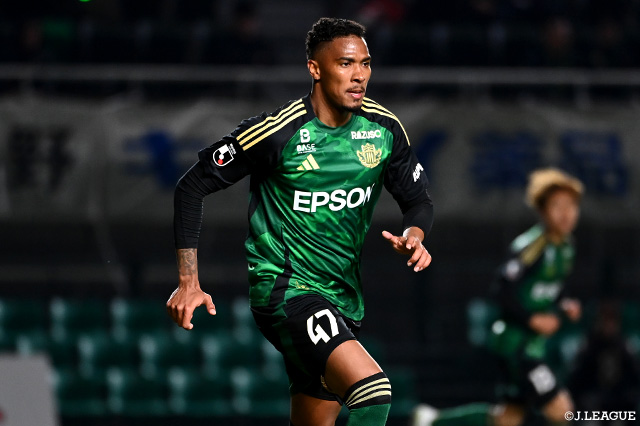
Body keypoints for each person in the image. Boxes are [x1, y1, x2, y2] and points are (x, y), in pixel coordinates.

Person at [167, 17, 434, 426]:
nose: (359, 75)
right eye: (345, 63)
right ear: (315, 68)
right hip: (286, 291)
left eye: (365, 63)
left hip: (343, 299)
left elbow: (418, 201)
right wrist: (188, 282)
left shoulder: (384, 129)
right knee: (373, 391)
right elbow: (191, 187)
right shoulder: (278, 131)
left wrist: (414, 235)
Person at [412, 168, 584, 426]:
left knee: (508, 419)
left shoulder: (566, 247)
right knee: (561, 411)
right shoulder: (531, 247)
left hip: (532, 345)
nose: (566, 213)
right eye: (557, 206)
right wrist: (532, 319)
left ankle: (433, 421)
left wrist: (565, 303)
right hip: (516, 346)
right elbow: (502, 291)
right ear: (542, 211)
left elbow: (551, 286)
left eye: (571, 206)